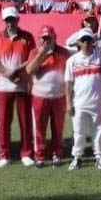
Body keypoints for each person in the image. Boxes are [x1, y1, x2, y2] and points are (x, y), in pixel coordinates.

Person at [0, 6, 36, 168]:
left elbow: (32, 58)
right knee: (3, 122)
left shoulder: (27, 37)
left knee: (25, 121)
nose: (10, 23)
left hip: (22, 84)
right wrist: (6, 72)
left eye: (12, 20)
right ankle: (4, 155)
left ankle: (26, 153)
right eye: (7, 20)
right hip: (3, 85)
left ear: (18, 19)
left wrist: (17, 70)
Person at [25, 25, 69, 168]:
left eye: (49, 38)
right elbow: (29, 70)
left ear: (54, 38)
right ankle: (40, 156)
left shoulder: (63, 53)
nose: (46, 41)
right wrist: (41, 54)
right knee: (39, 127)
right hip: (39, 96)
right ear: (39, 39)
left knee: (58, 127)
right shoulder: (34, 52)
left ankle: (57, 153)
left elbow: (69, 74)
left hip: (59, 96)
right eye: (43, 38)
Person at [65, 29, 101, 170]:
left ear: (93, 41)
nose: (86, 43)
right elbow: (68, 83)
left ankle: (99, 157)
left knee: (98, 131)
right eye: (83, 40)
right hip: (79, 103)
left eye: (89, 40)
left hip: (97, 102)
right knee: (78, 132)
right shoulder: (72, 61)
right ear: (78, 42)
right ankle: (77, 158)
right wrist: (68, 103)